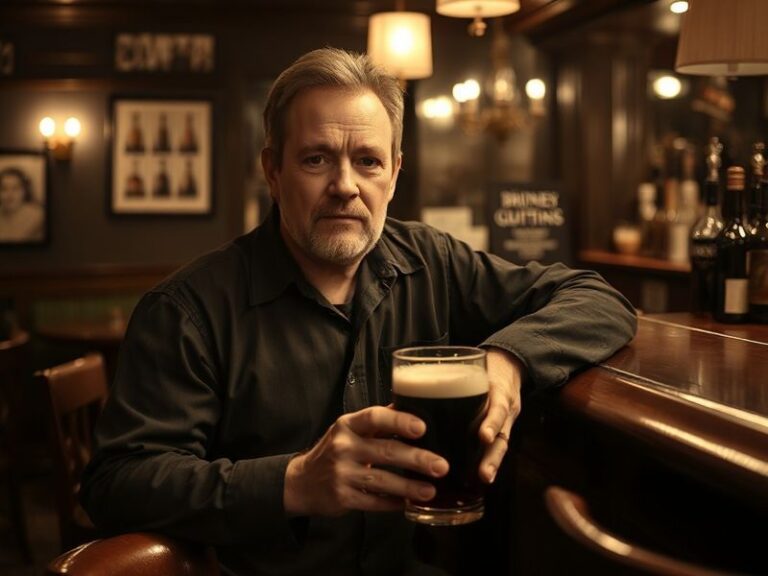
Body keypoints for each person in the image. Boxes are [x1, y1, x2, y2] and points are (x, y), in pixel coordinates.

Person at [81, 47, 636, 575]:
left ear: (394, 174)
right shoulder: (187, 310)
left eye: (367, 161)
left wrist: (510, 360)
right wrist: (294, 481)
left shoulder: (432, 260)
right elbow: (116, 484)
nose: (345, 186)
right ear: (272, 170)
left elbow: (597, 299)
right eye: (316, 159)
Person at [0, 166, 44, 242]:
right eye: (4, 189)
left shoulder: (39, 216)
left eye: (15, 188)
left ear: (24, 191)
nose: (9, 194)